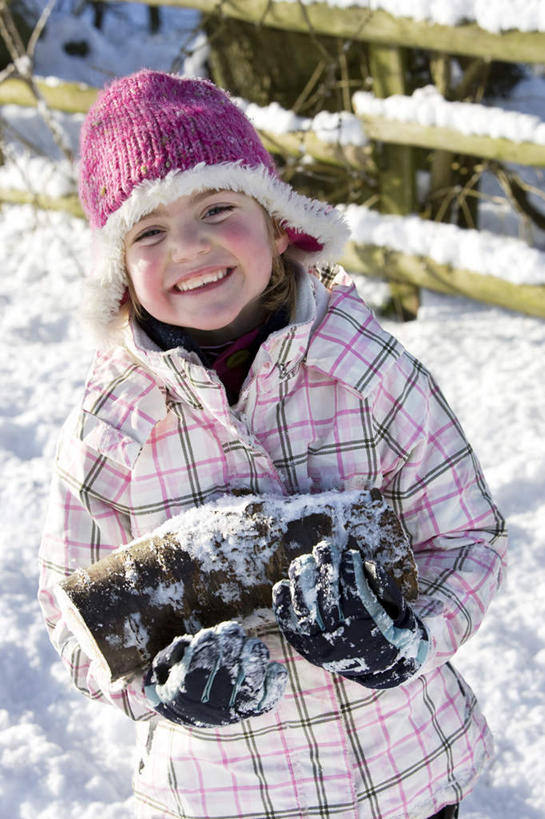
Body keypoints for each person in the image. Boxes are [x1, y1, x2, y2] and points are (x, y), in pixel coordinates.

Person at [38, 69, 507, 819]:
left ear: (278, 224)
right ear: (121, 276)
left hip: (402, 781)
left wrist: (410, 638)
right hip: (227, 796)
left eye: (216, 207)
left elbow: (467, 535)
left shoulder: (366, 370)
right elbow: (74, 616)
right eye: (149, 231)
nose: (188, 246)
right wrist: (163, 692)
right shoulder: (111, 431)